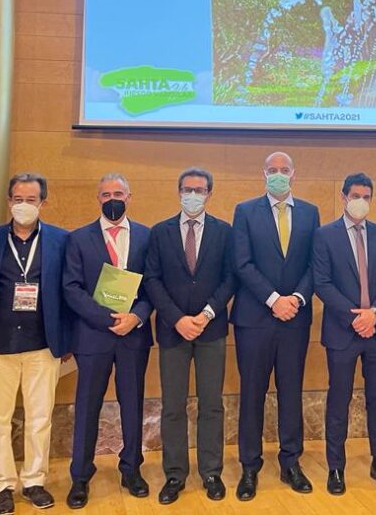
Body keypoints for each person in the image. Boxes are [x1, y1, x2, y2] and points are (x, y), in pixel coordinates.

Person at [0, 172, 71, 514]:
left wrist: (67, 338)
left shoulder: (61, 240)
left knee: (40, 417)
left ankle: (34, 481)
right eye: (18, 199)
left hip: (43, 343)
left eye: (31, 200)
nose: (24, 205)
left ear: (43, 202)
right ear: (8, 201)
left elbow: (69, 291)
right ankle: (1, 486)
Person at [230, 152, 320, 500]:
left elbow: (316, 263)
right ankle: (250, 468)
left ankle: (290, 464)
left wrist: (296, 299)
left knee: (291, 392)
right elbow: (242, 263)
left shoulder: (310, 213)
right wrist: (273, 299)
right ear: (262, 174)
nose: (278, 175)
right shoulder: (245, 211)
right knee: (252, 394)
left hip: (295, 320)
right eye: (272, 170)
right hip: (254, 319)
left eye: (284, 170)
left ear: (294, 174)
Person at [144, 167, 235, 505]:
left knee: (212, 404)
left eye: (199, 189)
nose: (192, 195)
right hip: (172, 332)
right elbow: (152, 280)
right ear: (178, 191)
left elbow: (230, 279)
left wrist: (206, 313)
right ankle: (174, 474)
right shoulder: (160, 232)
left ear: (210, 193)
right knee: (173, 406)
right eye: (187, 189)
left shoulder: (224, 232)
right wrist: (177, 318)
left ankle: (211, 472)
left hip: (211, 330)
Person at [62, 174, 154, 508]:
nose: (111, 198)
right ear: (97, 198)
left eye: (118, 193)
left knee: (133, 404)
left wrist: (136, 316)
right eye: (105, 194)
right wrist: (106, 318)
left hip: (134, 334)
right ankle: (80, 476)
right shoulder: (78, 238)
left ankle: (132, 469)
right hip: (93, 334)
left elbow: (153, 285)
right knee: (87, 406)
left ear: (130, 196)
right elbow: (71, 287)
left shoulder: (146, 235)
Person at [312, 172, 376, 496]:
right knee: (339, 400)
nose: (361, 202)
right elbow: (322, 283)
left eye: (366, 196)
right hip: (342, 331)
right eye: (356, 195)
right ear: (344, 197)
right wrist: (355, 318)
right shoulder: (325, 235)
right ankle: (335, 467)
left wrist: (374, 313)